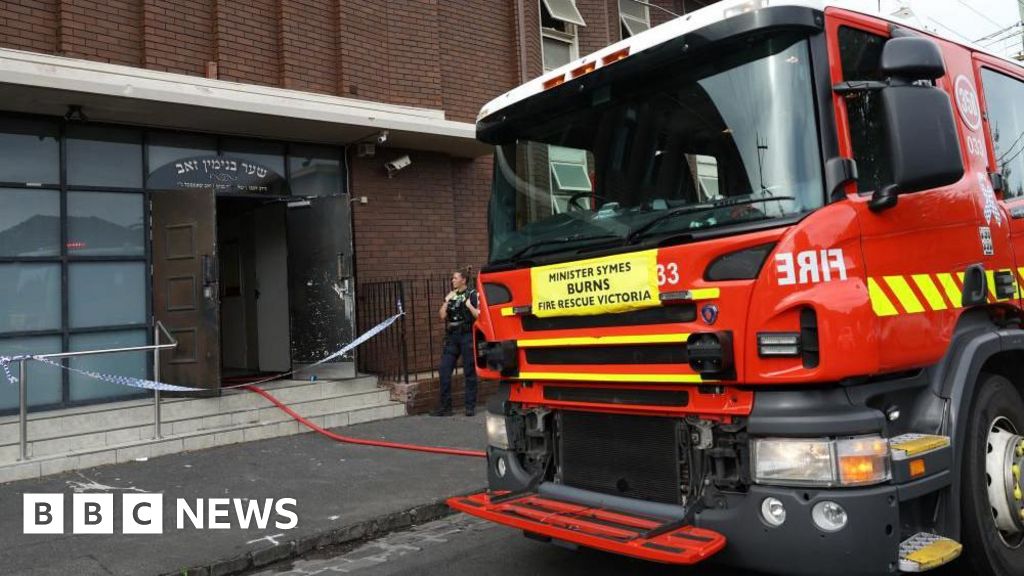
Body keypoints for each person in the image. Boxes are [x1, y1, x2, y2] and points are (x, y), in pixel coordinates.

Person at [431, 268, 480, 417]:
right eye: (453, 278)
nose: (453, 280)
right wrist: (447, 300)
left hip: (466, 335)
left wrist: (469, 305)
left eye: (455, 278)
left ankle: (470, 406)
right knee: (444, 370)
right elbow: (442, 315)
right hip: (452, 335)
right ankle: (446, 407)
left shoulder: (472, 294)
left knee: (469, 371)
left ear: (463, 280)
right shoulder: (452, 296)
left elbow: (478, 315)